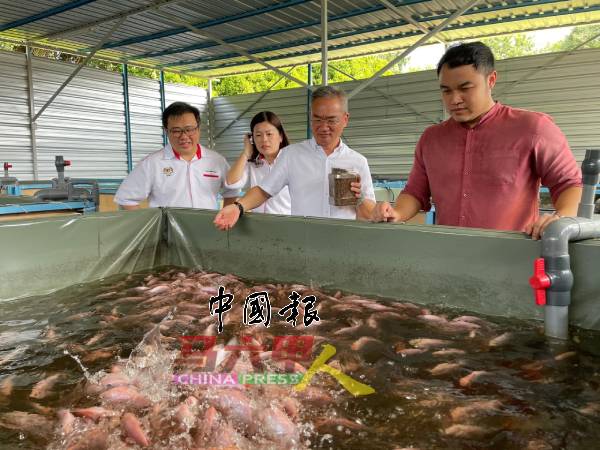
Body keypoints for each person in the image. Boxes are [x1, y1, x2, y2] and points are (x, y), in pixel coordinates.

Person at [372, 42, 582, 240]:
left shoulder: (533, 128)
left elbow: (568, 183)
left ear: (491, 80)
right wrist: (395, 212)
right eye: (446, 90)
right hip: (448, 255)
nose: (454, 100)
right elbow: (415, 192)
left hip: (511, 256)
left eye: (465, 88)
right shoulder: (431, 139)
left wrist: (559, 218)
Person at [214, 85, 376, 230]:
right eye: (317, 119)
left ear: (345, 119)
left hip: (343, 243)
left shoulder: (358, 162)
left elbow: (370, 215)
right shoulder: (292, 155)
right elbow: (264, 191)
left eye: (331, 120)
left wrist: (360, 198)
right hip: (303, 241)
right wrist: (238, 207)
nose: (323, 127)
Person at [114, 101, 239, 210]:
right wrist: (153, 227)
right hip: (168, 236)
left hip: (207, 232)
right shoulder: (152, 163)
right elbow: (126, 198)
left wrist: (225, 221)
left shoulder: (216, 160)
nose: (184, 136)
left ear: (198, 128)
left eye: (189, 129)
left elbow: (232, 190)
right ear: (166, 131)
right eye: (176, 131)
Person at [224, 111, 291, 214]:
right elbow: (231, 183)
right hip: (257, 223)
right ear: (252, 139)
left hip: (286, 223)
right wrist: (246, 153)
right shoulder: (253, 163)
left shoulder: (291, 161)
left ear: (280, 136)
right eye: (258, 135)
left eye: (269, 134)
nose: (264, 139)